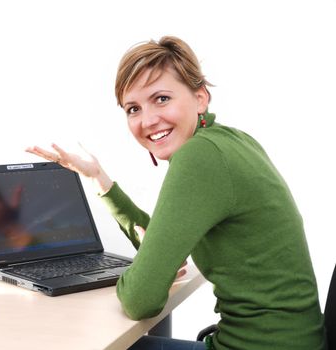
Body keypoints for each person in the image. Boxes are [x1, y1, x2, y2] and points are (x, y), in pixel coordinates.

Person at [26, 36, 327, 350]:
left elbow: (140, 299)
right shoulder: (232, 141)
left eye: (161, 99)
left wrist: (141, 276)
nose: (148, 120)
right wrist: (99, 178)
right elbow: (164, 237)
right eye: (133, 108)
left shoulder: (200, 157)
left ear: (200, 98)